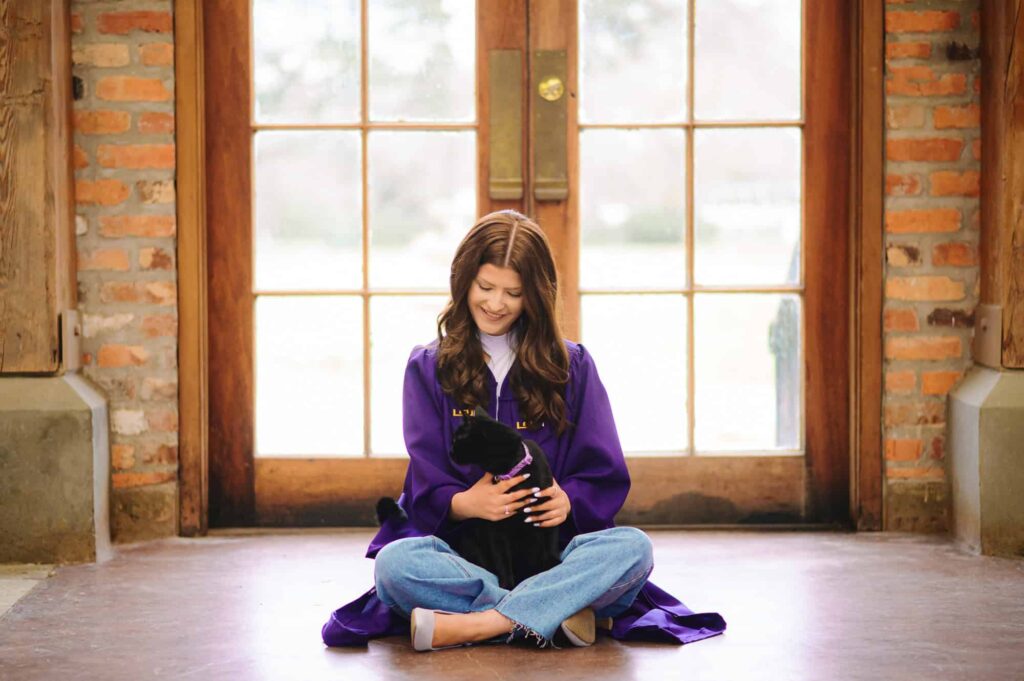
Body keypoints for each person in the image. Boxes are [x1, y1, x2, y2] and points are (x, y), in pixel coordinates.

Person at [321, 210, 726, 651]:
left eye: (513, 293)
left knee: (633, 549)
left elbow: (603, 470)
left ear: (534, 294)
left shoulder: (572, 367)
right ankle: (562, 612)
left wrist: (568, 500)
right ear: (463, 282)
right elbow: (425, 474)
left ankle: (479, 623)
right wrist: (463, 503)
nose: (496, 304)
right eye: (485, 287)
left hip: (554, 556)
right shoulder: (428, 367)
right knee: (395, 566)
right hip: (465, 557)